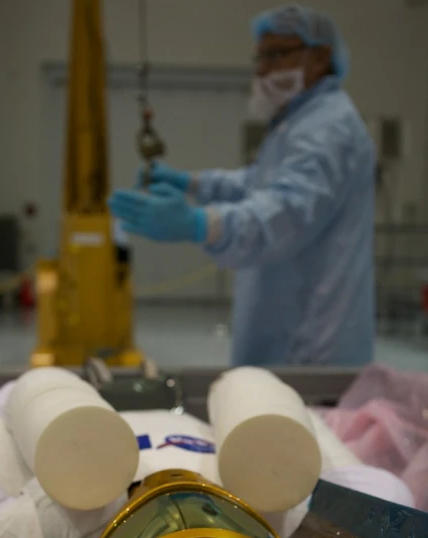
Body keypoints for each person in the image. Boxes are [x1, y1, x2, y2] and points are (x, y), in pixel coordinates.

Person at [109, 5, 376, 367]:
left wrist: (203, 224)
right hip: (288, 334)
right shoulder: (299, 121)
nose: (263, 69)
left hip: (312, 348)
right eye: (260, 57)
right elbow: (258, 184)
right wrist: (192, 183)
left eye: (276, 54)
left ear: (320, 57)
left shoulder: (328, 128)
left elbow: (287, 210)